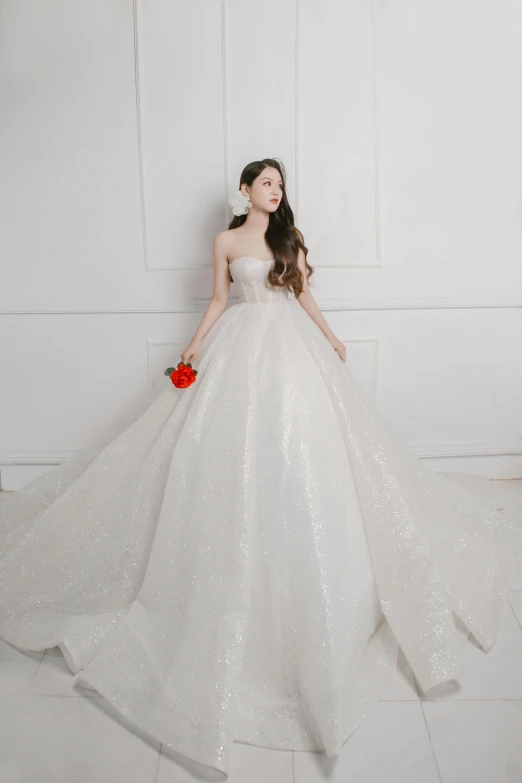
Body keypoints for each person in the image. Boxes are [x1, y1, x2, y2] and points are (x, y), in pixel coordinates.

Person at [0, 157, 520, 778]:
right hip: (238, 347)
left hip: (290, 349)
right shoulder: (225, 240)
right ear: (244, 190)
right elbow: (222, 298)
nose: (275, 191)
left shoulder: (287, 239)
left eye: (280, 184)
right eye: (266, 183)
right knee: (217, 455)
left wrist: (329, 336)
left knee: (307, 451)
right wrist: (194, 343)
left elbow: (302, 292)